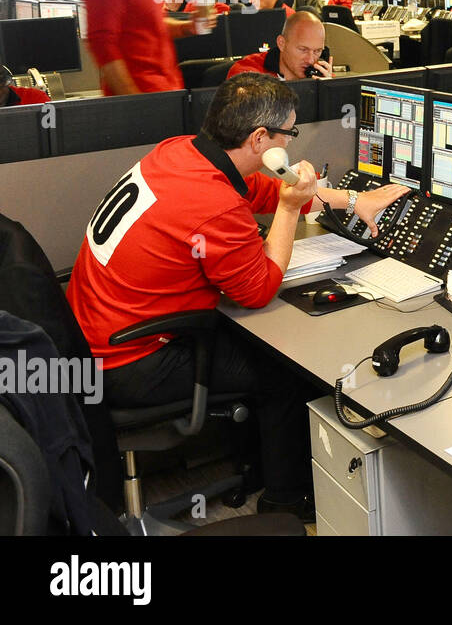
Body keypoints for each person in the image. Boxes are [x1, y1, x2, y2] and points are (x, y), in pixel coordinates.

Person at [67, 73, 410, 520]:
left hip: (93, 329)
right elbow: (259, 289)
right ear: (261, 139)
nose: (293, 140)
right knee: (288, 369)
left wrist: (348, 200)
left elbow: (256, 189)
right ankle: (285, 501)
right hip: (129, 360)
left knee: (261, 347)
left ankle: (257, 465)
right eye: (291, 132)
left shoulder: (181, 151)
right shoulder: (213, 203)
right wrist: (289, 209)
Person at [228, 10, 333, 81]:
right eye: (303, 50)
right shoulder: (248, 73)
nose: (310, 60)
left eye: (317, 51)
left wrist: (326, 90)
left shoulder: (320, 74)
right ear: (281, 43)